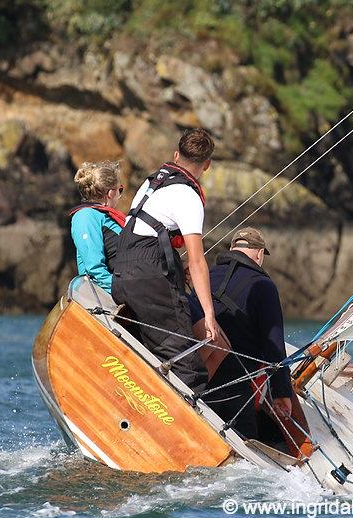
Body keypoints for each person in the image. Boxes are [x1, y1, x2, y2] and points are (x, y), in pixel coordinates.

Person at [111, 128, 223, 392]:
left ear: (175, 156)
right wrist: (209, 314)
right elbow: (197, 261)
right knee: (188, 368)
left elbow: (145, 230)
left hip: (123, 272)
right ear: (206, 165)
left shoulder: (152, 184)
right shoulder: (188, 197)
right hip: (149, 282)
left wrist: (173, 264)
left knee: (154, 349)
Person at [188, 227, 294, 441]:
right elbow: (273, 344)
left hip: (193, 370)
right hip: (232, 385)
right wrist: (282, 392)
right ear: (260, 254)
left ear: (231, 248)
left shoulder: (206, 275)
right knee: (247, 443)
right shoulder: (263, 286)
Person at [69, 161, 125, 293]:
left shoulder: (106, 216)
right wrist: (127, 292)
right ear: (110, 192)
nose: (120, 195)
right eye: (120, 190)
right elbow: (94, 270)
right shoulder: (85, 216)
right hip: (105, 297)